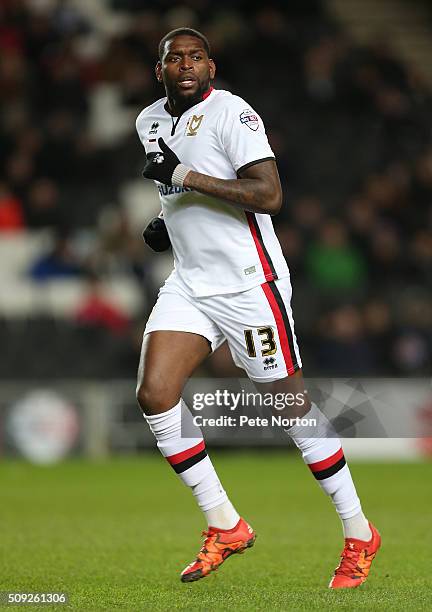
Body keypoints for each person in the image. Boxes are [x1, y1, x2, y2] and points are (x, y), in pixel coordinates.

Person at [135, 27, 380, 587]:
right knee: (155, 394)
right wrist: (165, 220)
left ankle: (359, 530)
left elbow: (268, 195)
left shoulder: (233, 114)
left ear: (212, 67)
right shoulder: (148, 121)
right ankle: (224, 523)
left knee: (290, 410)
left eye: (197, 57)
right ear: (160, 70)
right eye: (176, 58)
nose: (187, 65)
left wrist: (185, 178)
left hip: (250, 286)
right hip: (191, 283)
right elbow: (176, 191)